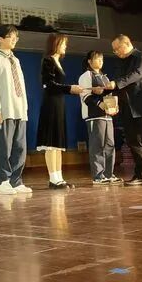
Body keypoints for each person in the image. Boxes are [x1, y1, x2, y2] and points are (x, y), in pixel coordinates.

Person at [106, 35, 142, 186]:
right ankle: (141, 175)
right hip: (127, 106)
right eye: (113, 50)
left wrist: (116, 83)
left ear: (126, 44)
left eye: (117, 49)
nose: (115, 52)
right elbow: (118, 85)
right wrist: (114, 100)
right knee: (132, 141)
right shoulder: (120, 62)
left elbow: (136, 74)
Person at [0, 25, 32, 195]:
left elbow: (22, 86)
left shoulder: (15, 60)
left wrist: (24, 108)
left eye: (16, 37)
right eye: (11, 36)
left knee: (20, 147)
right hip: (5, 110)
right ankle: (3, 181)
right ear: (1, 39)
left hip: (19, 110)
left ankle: (16, 181)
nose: (14, 40)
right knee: (4, 147)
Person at [36, 34, 83, 189]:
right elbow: (48, 84)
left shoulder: (57, 61)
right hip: (51, 104)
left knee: (57, 142)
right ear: (55, 44)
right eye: (63, 43)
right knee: (51, 143)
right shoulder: (48, 61)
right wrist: (70, 88)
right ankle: (53, 179)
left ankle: (59, 178)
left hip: (59, 103)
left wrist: (69, 89)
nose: (65, 46)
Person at [79, 51, 121, 185]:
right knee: (97, 145)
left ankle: (109, 174)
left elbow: (109, 96)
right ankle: (98, 176)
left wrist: (114, 106)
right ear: (89, 61)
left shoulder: (105, 77)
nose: (100, 61)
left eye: (102, 59)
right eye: (97, 59)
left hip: (107, 116)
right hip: (94, 116)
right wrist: (99, 104)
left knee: (110, 144)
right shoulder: (86, 76)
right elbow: (85, 96)